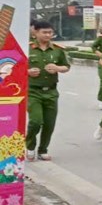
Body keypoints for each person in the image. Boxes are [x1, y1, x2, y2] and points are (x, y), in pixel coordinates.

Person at [26, 21, 70, 161]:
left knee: (49, 123)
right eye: (44, 32)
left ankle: (43, 149)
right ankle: (30, 145)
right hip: (33, 91)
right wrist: (27, 71)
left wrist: (57, 68)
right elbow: (13, 66)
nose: (47, 35)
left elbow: (66, 66)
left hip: (51, 91)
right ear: (36, 32)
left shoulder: (57, 49)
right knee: (36, 121)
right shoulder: (27, 48)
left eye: (50, 32)